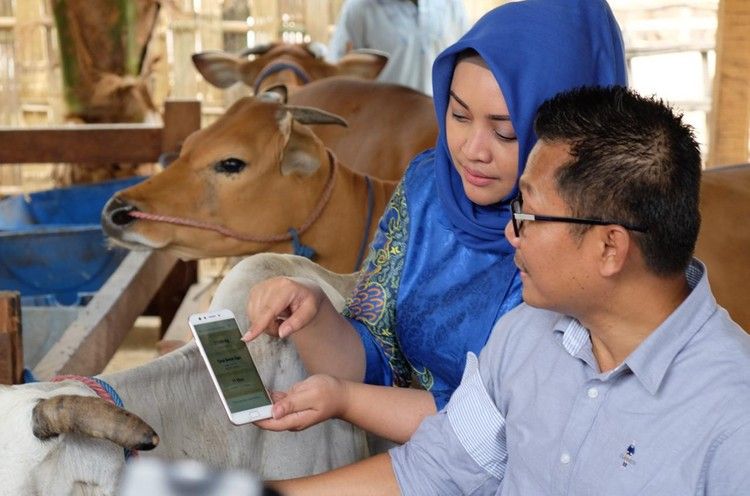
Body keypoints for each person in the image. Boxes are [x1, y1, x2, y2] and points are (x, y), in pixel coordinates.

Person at [267, 85, 750, 495]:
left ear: (610, 248)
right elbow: (433, 469)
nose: (511, 233)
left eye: (529, 214)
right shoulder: (526, 335)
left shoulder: (733, 412)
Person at [243, 0, 627, 445]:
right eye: (459, 115)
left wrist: (346, 400)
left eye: (505, 131)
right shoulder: (429, 186)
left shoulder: (589, 237)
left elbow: (504, 428)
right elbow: (373, 358)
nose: (471, 150)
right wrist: (311, 311)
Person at [326, 0, 469, 95]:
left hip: (439, 123)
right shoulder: (360, 7)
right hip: (384, 125)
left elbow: (465, 60)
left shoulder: (450, 4)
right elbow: (336, 78)